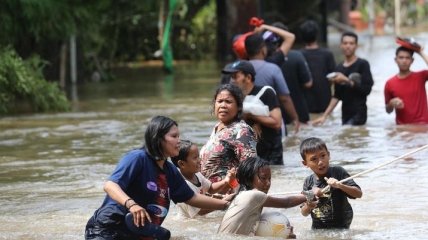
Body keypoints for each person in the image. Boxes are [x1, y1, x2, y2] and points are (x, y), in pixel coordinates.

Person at [85, 116, 233, 240]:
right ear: (158, 139)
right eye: (174, 136)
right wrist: (132, 205)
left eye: (179, 136)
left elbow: (191, 198)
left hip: (138, 233)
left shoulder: (169, 170)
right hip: (107, 230)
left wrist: (226, 204)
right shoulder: (138, 158)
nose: (178, 141)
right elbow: (110, 185)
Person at [218, 156, 320, 237]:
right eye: (263, 178)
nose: (268, 183)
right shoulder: (255, 195)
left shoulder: (241, 196)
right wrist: (311, 193)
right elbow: (286, 202)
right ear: (248, 179)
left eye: (269, 179)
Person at [222, 60, 284, 165]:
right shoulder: (232, 98)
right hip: (247, 153)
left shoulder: (266, 92)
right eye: (231, 77)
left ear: (248, 78)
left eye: (235, 76)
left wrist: (251, 116)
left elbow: (277, 123)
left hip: (271, 151)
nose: (232, 80)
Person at [200, 84, 257, 187]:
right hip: (210, 194)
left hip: (228, 195)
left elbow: (250, 168)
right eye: (220, 101)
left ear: (238, 106)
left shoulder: (242, 131)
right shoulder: (217, 127)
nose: (223, 105)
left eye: (228, 102)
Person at [299, 137, 362, 229]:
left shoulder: (338, 172)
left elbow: (358, 194)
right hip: (318, 228)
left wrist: (340, 185)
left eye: (323, 156)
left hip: (342, 227)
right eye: (314, 159)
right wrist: (309, 204)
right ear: (305, 163)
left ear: (328, 155)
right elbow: (304, 212)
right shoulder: (308, 182)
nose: (320, 162)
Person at [312, 31, 374, 125]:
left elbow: (366, 90)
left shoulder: (363, 64)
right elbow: (337, 96)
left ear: (356, 46)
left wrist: (346, 80)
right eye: (345, 43)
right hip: (345, 115)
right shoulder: (339, 68)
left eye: (351, 43)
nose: (348, 46)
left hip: (359, 115)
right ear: (341, 45)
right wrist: (324, 116)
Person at [245, 32, 300, 133]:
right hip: (270, 120)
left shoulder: (239, 71)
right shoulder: (273, 69)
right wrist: (295, 118)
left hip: (245, 122)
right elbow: (284, 98)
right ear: (263, 49)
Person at [171, 139, 237, 218]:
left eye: (198, 156)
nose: (199, 160)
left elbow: (211, 188)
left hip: (198, 219)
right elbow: (200, 211)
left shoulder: (197, 175)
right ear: (182, 164)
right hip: (188, 222)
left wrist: (226, 181)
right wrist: (223, 202)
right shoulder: (185, 185)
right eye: (195, 158)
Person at [271, 21, 313, 124]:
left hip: (275, 115)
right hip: (299, 111)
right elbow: (308, 83)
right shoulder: (297, 56)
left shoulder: (266, 59)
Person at [299, 20, 336, 114]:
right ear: (317, 35)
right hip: (325, 102)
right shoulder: (327, 54)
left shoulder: (298, 56)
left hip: (305, 104)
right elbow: (333, 78)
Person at [384, 46, 428, 124]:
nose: (404, 61)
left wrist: (420, 52)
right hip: (402, 129)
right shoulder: (389, 83)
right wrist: (391, 103)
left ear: (412, 60)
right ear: (396, 60)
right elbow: (388, 110)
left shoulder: (421, 76)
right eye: (401, 58)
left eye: (407, 58)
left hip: (423, 127)